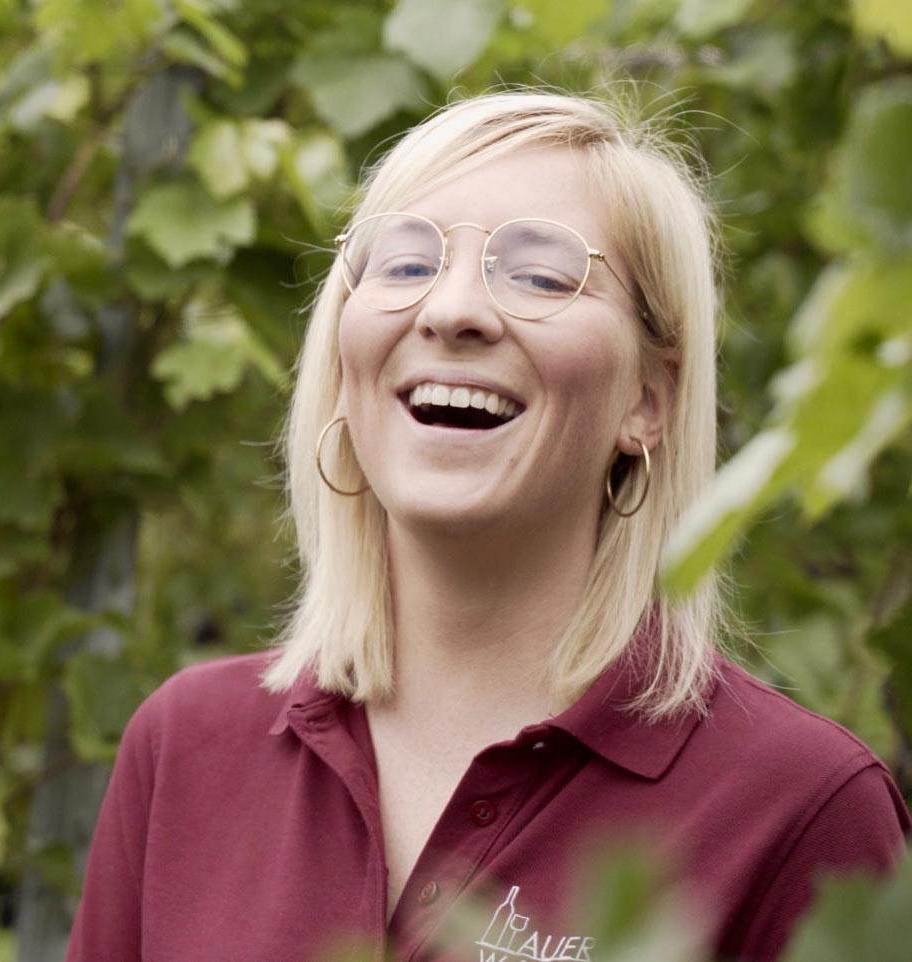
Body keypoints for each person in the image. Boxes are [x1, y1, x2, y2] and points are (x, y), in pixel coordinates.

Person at [66, 90, 909, 962]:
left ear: (648, 400)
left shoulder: (802, 807)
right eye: (402, 263)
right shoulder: (186, 749)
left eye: (540, 273)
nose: (450, 310)